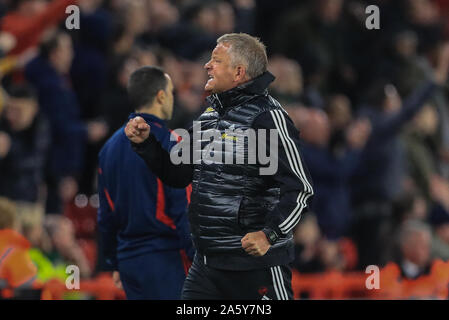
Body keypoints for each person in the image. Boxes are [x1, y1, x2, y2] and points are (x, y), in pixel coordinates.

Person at [126, 33, 314, 300]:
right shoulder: (208, 116)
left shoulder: (268, 118)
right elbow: (178, 174)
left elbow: (301, 188)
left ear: (239, 72)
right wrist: (147, 145)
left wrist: (269, 234)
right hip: (207, 266)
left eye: (216, 60)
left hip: (256, 268)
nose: (207, 65)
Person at [97, 66, 194, 300]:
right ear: (161, 96)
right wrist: (200, 259)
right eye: (171, 92)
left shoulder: (108, 148)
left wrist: (114, 261)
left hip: (129, 261)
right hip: (167, 258)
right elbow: (184, 208)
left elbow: (106, 215)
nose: (173, 97)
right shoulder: (174, 142)